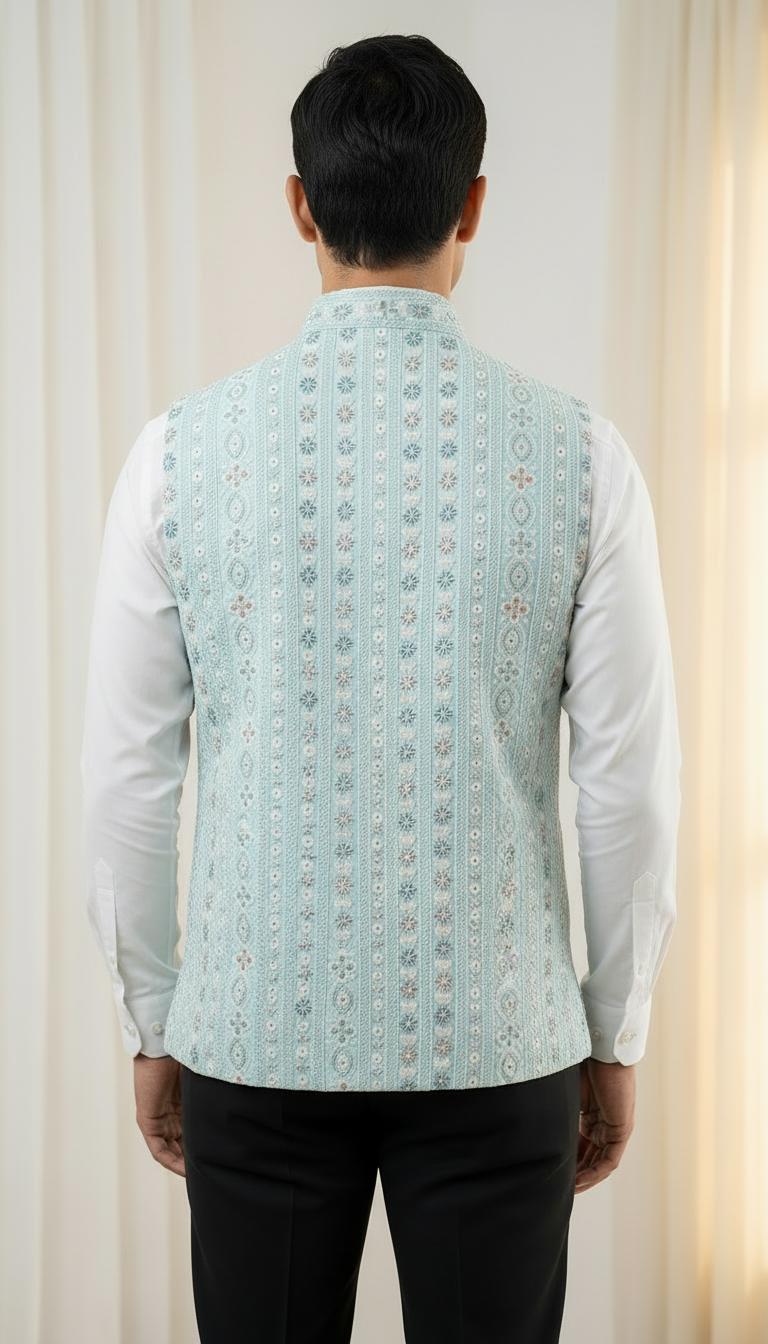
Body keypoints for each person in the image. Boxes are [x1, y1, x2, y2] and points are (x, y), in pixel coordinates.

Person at [81, 32, 681, 1344]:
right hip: (500, 1047)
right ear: (474, 204)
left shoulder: (176, 459)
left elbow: (127, 780)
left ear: (300, 205)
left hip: (251, 1043)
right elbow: (628, 789)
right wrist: (616, 1032)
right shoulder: (582, 461)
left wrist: (152, 1018)